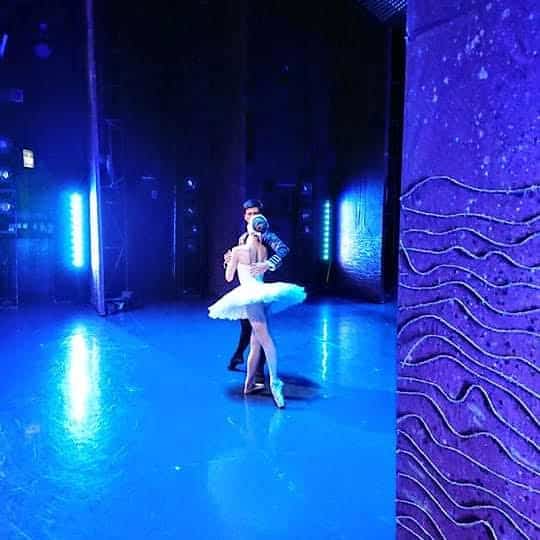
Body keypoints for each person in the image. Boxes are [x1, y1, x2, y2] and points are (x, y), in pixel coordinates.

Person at [210, 215, 305, 408]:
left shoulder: (238, 250)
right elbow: (273, 260)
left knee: (265, 340)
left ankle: (275, 381)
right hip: (263, 295)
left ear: (249, 232)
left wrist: (229, 261)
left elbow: (229, 278)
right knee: (255, 343)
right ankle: (249, 384)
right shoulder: (263, 249)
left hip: (251, 296)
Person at [224, 199, 290, 382]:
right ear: (245, 217)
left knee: (258, 331)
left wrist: (269, 264)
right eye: (249, 213)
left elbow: (283, 250)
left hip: (261, 290)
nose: (253, 217)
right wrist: (230, 259)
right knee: (247, 327)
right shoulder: (243, 238)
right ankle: (239, 356)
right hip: (247, 289)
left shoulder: (266, 234)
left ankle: (258, 373)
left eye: (256, 213)